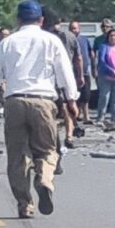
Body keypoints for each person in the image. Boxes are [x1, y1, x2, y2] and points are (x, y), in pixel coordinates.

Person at [0, 0, 78, 219]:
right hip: (43, 101)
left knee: (18, 156)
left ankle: (25, 204)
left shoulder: (8, 43)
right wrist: (72, 99)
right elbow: (65, 72)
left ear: (18, 20)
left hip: (14, 102)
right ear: (41, 20)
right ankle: (44, 180)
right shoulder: (51, 40)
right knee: (46, 149)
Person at [44, 8, 83, 149]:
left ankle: (53, 138)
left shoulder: (45, 37)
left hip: (49, 77)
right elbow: (78, 58)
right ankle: (69, 135)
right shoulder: (70, 36)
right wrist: (80, 75)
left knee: (51, 109)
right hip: (67, 76)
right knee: (68, 106)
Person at [70, 21, 94, 124]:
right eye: (72, 28)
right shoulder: (68, 40)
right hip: (72, 72)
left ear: (79, 29)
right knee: (74, 95)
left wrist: (93, 66)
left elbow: (91, 53)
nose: (74, 30)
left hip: (85, 71)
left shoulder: (84, 39)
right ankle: (75, 115)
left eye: (76, 28)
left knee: (86, 95)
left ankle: (86, 116)